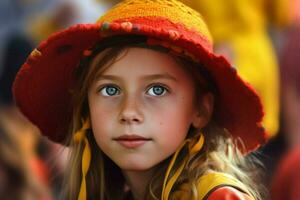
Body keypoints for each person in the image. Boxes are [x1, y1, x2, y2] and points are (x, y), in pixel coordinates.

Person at [12, 0, 268, 199]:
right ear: (86, 106)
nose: (129, 112)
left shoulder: (217, 197)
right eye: (110, 90)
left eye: (157, 90)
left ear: (201, 109)